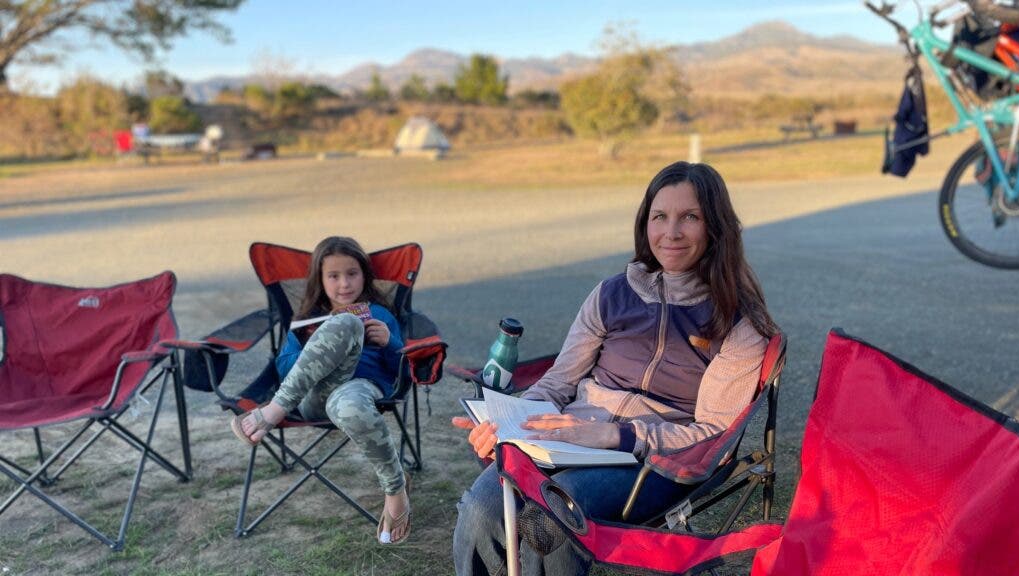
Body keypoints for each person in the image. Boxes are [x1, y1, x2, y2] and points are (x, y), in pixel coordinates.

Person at [451, 161, 777, 575]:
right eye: (660, 217)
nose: (671, 233)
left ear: (715, 227)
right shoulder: (612, 294)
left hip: (655, 460)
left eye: (689, 217)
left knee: (552, 514)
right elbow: (558, 381)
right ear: (645, 224)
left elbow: (711, 433)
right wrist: (510, 418)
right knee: (481, 507)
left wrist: (613, 436)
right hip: (566, 438)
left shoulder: (737, 321)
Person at [230, 236, 411, 544]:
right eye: (334, 276)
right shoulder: (306, 321)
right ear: (320, 279)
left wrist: (392, 344)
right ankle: (277, 408)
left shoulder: (381, 315)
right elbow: (284, 368)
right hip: (313, 395)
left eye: (352, 273)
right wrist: (309, 345)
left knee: (349, 396)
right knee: (345, 324)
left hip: (359, 392)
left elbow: (404, 373)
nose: (344, 284)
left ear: (364, 275)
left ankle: (395, 491)